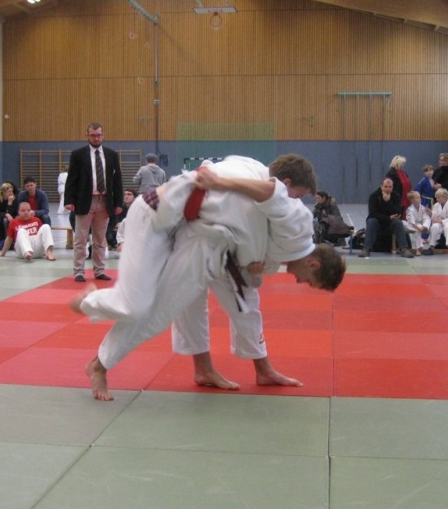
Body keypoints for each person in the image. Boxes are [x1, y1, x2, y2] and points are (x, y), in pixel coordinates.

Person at [71, 155, 345, 400]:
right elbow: (272, 193)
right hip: (160, 219)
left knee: (234, 304)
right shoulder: (296, 221)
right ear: (314, 263)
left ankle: (216, 369)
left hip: (202, 237)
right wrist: (219, 182)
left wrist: (255, 265)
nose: (300, 283)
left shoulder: (263, 190)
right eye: (309, 280)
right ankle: (96, 338)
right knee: (146, 308)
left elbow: (257, 255)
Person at [64, 122, 124, 282]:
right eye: (93, 135)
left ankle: (99, 270)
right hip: (85, 200)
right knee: (81, 239)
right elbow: (71, 179)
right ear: (87, 136)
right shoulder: (78, 154)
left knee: (100, 239)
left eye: (98, 135)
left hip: (104, 200)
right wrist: (69, 200)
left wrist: (119, 203)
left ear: (103, 136)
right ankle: (78, 271)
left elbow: (117, 180)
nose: (96, 138)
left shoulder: (111, 154)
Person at [359, 177, 415, 258]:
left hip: (390, 224)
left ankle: (404, 249)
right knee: (371, 221)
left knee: (398, 222)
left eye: (390, 187)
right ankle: (366, 248)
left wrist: (388, 202)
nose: (388, 189)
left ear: (392, 187)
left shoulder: (396, 196)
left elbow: (398, 212)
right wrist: (388, 217)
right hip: (377, 224)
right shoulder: (374, 196)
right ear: (381, 186)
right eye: (386, 186)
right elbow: (373, 213)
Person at [429, 188, 448, 257]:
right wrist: (430, 213)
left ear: (445, 197)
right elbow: (434, 216)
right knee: (434, 226)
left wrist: (440, 221)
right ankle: (432, 247)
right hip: (439, 224)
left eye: (439, 197)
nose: (437, 199)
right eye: (437, 198)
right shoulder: (436, 205)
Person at [0, 183, 19, 251]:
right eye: (9, 191)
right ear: (4, 192)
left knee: (5, 220)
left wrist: (10, 203)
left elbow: (15, 212)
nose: (11, 193)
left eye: (12, 191)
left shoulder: (14, 199)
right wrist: (6, 214)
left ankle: (9, 242)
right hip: (2, 216)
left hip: (13, 216)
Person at [106, 188, 136, 255]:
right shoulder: (120, 208)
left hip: (134, 234)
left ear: (134, 197)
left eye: (129, 194)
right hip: (121, 232)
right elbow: (116, 221)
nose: (126, 196)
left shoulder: (138, 208)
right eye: (125, 194)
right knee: (109, 235)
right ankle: (118, 246)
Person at [404, 190, 432, 255]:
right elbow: (411, 222)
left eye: (419, 197)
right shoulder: (409, 210)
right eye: (417, 198)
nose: (419, 199)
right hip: (411, 225)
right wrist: (419, 228)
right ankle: (417, 249)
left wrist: (425, 227)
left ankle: (419, 248)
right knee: (415, 230)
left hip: (422, 226)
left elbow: (426, 218)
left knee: (426, 220)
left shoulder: (423, 208)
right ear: (412, 200)